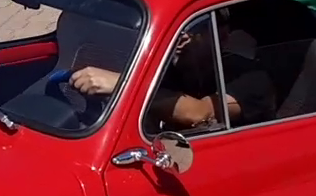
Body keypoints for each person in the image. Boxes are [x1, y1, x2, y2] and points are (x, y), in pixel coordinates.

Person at [66, 10, 274, 131]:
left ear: (222, 36)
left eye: (193, 29)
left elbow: (199, 113)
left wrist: (124, 85)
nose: (180, 36)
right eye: (175, 29)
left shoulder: (253, 80)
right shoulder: (165, 69)